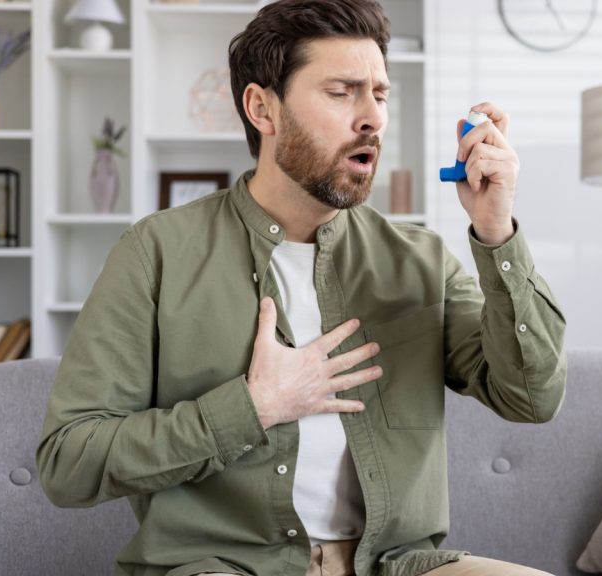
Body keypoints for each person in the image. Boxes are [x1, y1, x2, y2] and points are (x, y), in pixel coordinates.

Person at [36, 1, 567, 575]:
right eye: (342, 92)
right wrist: (252, 407)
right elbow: (69, 462)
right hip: (225, 566)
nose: (372, 119)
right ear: (263, 108)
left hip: (392, 565)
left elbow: (532, 399)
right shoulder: (156, 253)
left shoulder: (423, 261)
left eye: (380, 95)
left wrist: (495, 231)